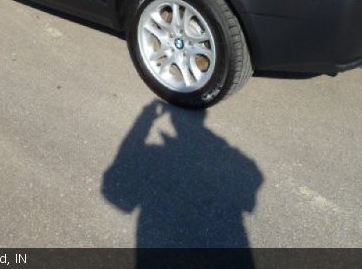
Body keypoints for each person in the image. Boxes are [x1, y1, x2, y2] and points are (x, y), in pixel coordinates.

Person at [102, 101, 263, 268]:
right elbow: (252, 184)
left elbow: (115, 192)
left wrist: (146, 117)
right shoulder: (234, 160)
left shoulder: (156, 155)